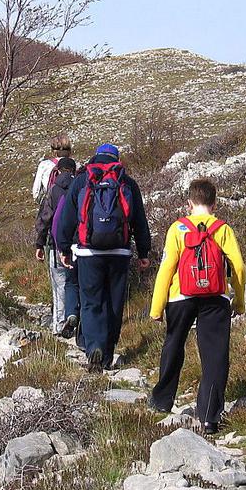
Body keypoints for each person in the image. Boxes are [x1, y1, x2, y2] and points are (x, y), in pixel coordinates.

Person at [146, 178, 246, 435]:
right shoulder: (223, 229)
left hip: (181, 296)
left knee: (174, 344)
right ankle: (210, 417)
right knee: (215, 355)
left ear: (189, 203)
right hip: (216, 297)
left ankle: (162, 400)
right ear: (214, 204)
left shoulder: (177, 228)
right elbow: (239, 267)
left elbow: (166, 268)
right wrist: (239, 301)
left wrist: (157, 308)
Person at [56, 143, 151, 372]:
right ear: (116, 159)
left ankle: (94, 347)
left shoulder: (82, 180)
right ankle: (107, 353)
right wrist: (144, 252)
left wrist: (64, 247)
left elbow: (66, 218)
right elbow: (139, 220)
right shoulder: (126, 182)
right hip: (119, 252)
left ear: (95, 157)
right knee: (114, 303)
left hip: (89, 253)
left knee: (91, 302)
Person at [35, 157, 79, 337]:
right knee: (76, 284)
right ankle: (75, 318)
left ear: (58, 171)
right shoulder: (81, 187)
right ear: (74, 171)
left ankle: (59, 325)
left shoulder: (53, 190)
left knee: (59, 285)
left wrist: (39, 243)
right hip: (78, 245)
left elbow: (45, 218)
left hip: (55, 245)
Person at [32, 134, 73, 201]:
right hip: (69, 203)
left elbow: (36, 190)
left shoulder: (44, 165)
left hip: (51, 202)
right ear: (69, 151)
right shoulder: (76, 165)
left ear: (54, 152)